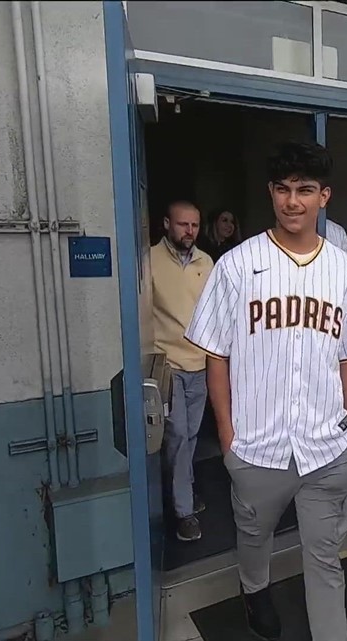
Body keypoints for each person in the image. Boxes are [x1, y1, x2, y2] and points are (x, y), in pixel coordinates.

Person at [184, 140, 347, 641]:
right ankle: (255, 591)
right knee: (254, 538)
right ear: (271, 193)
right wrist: (227, 438)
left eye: (306, 190)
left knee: (325, 562)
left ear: (324, 196)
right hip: (257, 448)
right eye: (284, 190)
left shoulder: (343, 270)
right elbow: (216, 356)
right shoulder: (236, 265)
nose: (294, 201)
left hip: (327, 448)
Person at [149, 201, 213, 542]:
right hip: (169, 367)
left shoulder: (207, 262)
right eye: (182, 224)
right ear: (166, 224)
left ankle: (182, 494)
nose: (189, 231)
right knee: (176, 438)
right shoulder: (148, 261)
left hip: (200, 366)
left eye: (194, 225)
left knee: (189, 438)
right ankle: (183, 511)